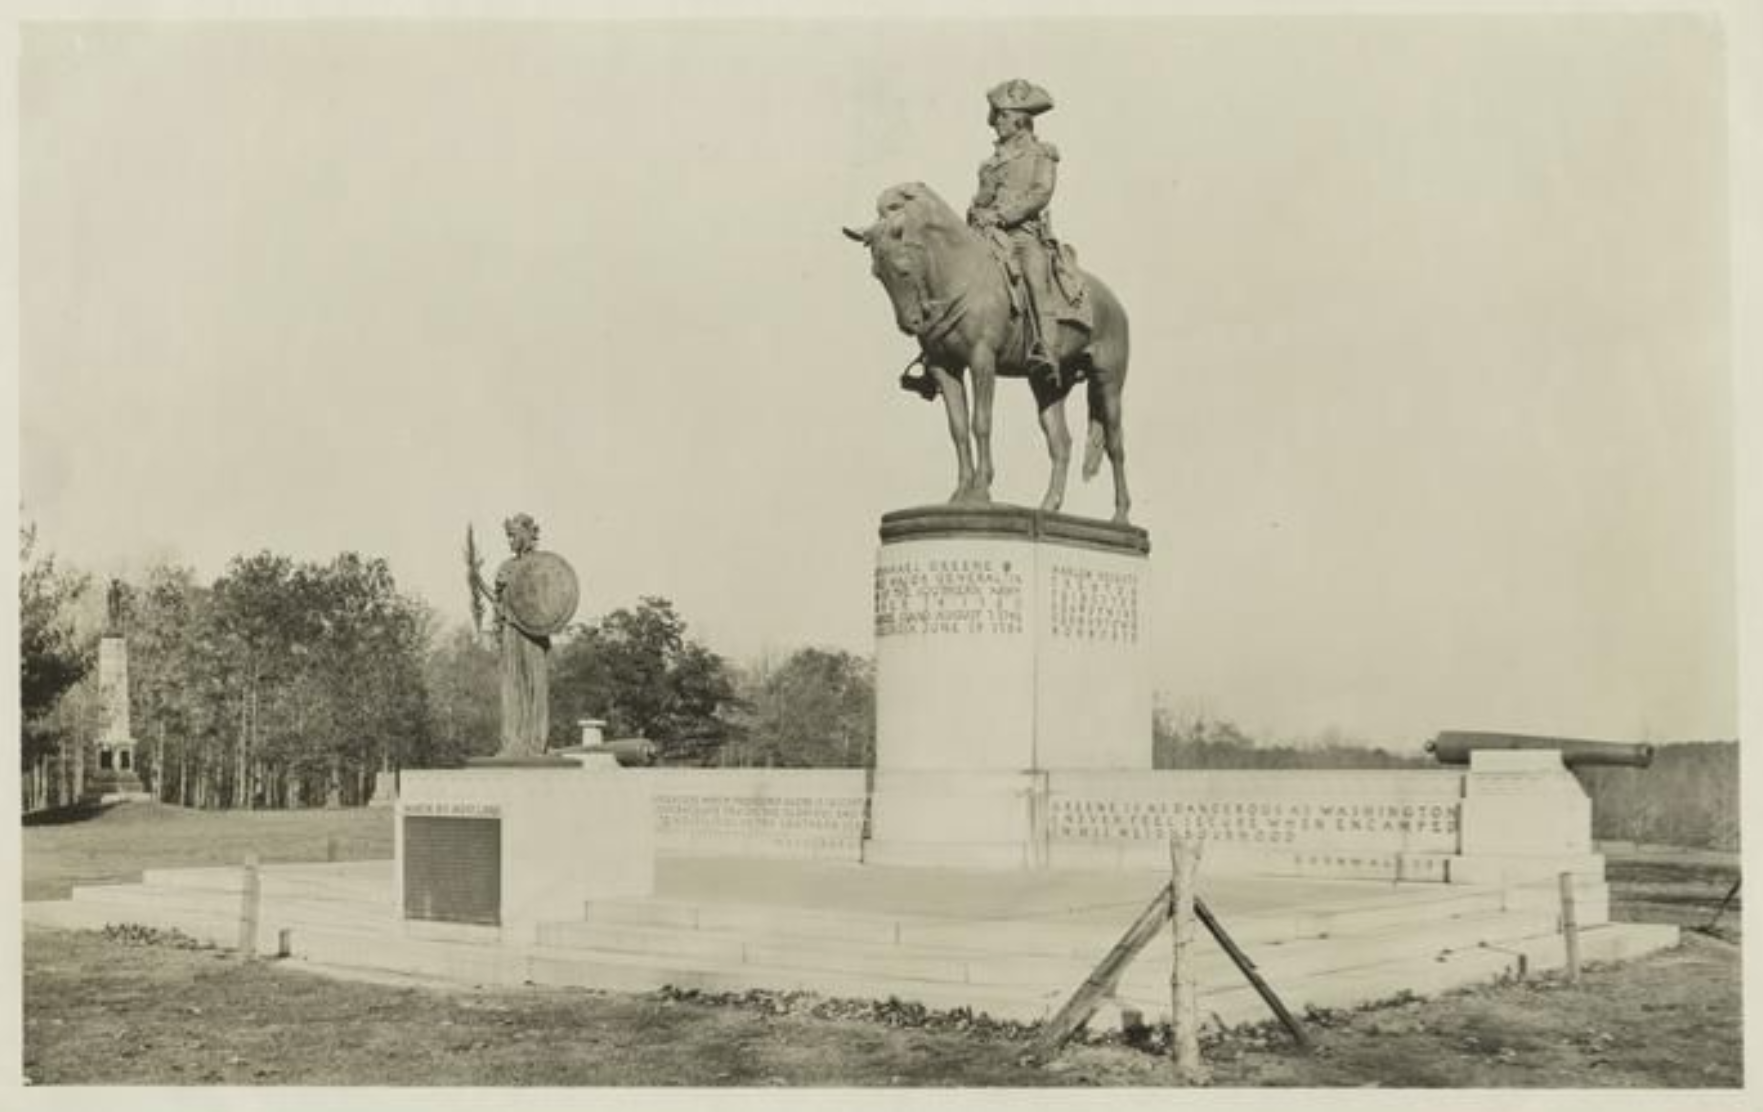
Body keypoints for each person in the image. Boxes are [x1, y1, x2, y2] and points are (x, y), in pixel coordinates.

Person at [967, 78, 1062, 378]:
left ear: (1021, 120)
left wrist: (1003, 216)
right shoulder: (989, 163)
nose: (996, 124)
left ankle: (1048, 350)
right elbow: (982, 200)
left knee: (1035, 279)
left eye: (1002, 117)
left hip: (1023, 234)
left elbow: (1040, 193)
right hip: (988, 235)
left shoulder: (1042, 153)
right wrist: (977, 212)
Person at [492, 513, 552, 756]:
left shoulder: (544, 565)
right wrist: (500, 593)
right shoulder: (505, 567)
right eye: (508, 536)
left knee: (535, 686)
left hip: (534, 634)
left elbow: (549, 602)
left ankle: (538, 742)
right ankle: (512, 742)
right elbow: (499, 606)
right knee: (512, 686)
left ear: (528, 534)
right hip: (511, 631)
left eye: (513, 535)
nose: (510, 540)